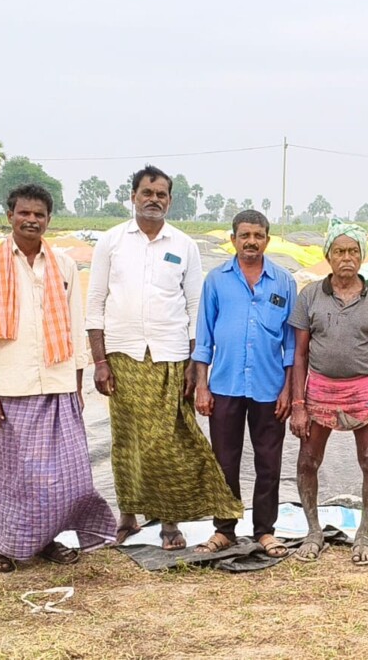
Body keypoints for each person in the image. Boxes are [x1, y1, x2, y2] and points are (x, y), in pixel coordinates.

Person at [86, 165, 242, 549]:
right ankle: (128, 514)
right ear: (133, 197)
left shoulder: (183, 245)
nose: (153, 199)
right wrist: (100, 360)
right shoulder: (112, 241)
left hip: (172, 357)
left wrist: (195, 362)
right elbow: (94, 302)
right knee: (128, 439)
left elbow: (195, 306)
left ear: (170, 200)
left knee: (170, 441)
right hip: (123, 356)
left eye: (161, 194)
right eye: (147, 192)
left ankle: (169, 520)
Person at [0, 184, 117, 572]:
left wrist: (78, 384)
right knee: (15, 474)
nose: (31, 220)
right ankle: (3, 545)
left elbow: (75, 325)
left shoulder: (63, 266)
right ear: (10, 216)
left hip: (58, 384)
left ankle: (47, 538)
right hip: (10, 386)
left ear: (49, 220)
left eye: (39, 215)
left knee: (65, 476)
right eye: (24, 213)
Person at [289, 219, 368, 565]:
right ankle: (313, 531)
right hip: (319, 389)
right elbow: (300, 354)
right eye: (339, 251)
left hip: (364, 391)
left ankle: (364, 534)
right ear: (328, 256)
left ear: (362, 256)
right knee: (308, 460)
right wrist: (298, 405)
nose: (346, 258)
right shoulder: (310, 296)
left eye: (353, 251)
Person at [192, 210, 296, 557]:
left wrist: (289, 390)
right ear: (233, 238)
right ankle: (224, 530)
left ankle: (265, 531)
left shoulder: (283, 282)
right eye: (244, 235)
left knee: (269, 461)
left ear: (268, 239)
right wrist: (202, 386)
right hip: (225, 386)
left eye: (258, 235)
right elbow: (204, 338)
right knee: (224, 460)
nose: (251, 241)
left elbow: (292, 344)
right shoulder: (216, 280)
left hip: (270, 387)